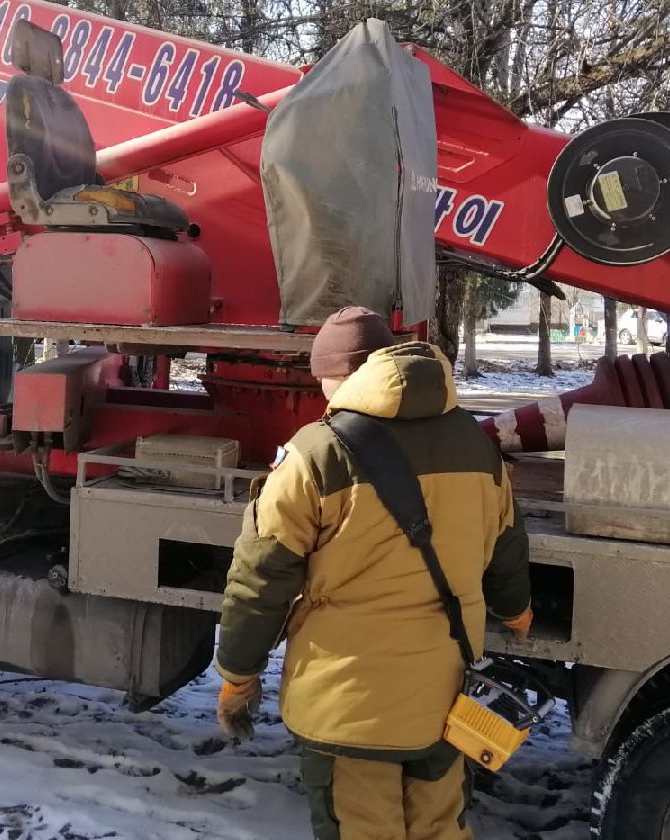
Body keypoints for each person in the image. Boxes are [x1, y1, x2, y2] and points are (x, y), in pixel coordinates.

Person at [214, 306, 533, 840]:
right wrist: (516, 611)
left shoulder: (316, 453)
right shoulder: (476, 446)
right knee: (441, 828)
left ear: (338, 374)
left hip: (349, 708)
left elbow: (260, 580)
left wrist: (237, 675)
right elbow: (507, 544)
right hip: (444, 695)